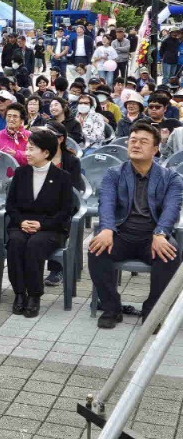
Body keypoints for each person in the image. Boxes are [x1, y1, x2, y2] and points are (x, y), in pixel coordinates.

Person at [88, 122, 183, 329]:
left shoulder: (171, 178)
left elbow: (172, 209)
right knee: (96, 250)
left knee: (171, 254)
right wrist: (106, 229)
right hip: (122, 233)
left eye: (143, 141)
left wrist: (160, 233)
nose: (136, 145)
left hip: (152, 235)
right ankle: (112, 308)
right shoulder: (114, 173)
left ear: (155, 149)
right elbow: (106, 203)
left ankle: (152, 310)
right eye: (133, 140)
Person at [4, 129, 73, 317]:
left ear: (46, 152)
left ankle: (34, 295)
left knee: (34, 245)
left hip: (51, 228)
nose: (27, 153)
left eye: (32, 149)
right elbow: (10, 205)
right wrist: (21, 222)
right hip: (22, 224)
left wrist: (42, 225)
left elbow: (66, 211)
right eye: (27, 148)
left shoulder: (62, 177)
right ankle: (19, 293)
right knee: (16, 242)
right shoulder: (21, 173)